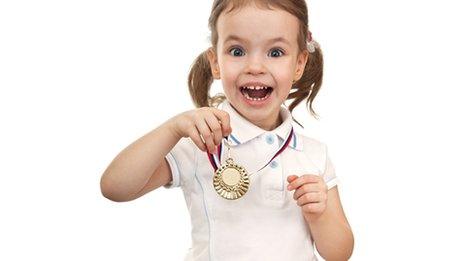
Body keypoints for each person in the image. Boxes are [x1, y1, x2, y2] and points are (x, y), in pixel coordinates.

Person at [100, 0, 354, 260]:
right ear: (215, 62)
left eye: (275, 52)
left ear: (299, 64)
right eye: (237, 51)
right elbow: (115, 187)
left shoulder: (313, 154)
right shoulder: (202, 143)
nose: (255, 67)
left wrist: (319, 216)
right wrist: (172, 128)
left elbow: (339, 253)